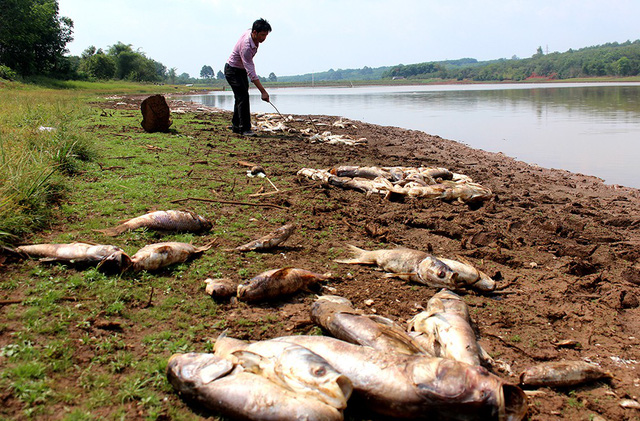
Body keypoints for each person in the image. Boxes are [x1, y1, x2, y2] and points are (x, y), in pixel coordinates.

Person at [224, 18, 272, 137]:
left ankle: (236, 125)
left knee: (241, 96)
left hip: (240, 70)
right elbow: (251, 72)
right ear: (254, 32)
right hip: (232, 70)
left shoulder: (250, 33)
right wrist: (263, 92)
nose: (264, 38)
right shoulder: (246, 47)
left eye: (266, 35)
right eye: (262, 35)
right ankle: (245, 128)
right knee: (243, 97)